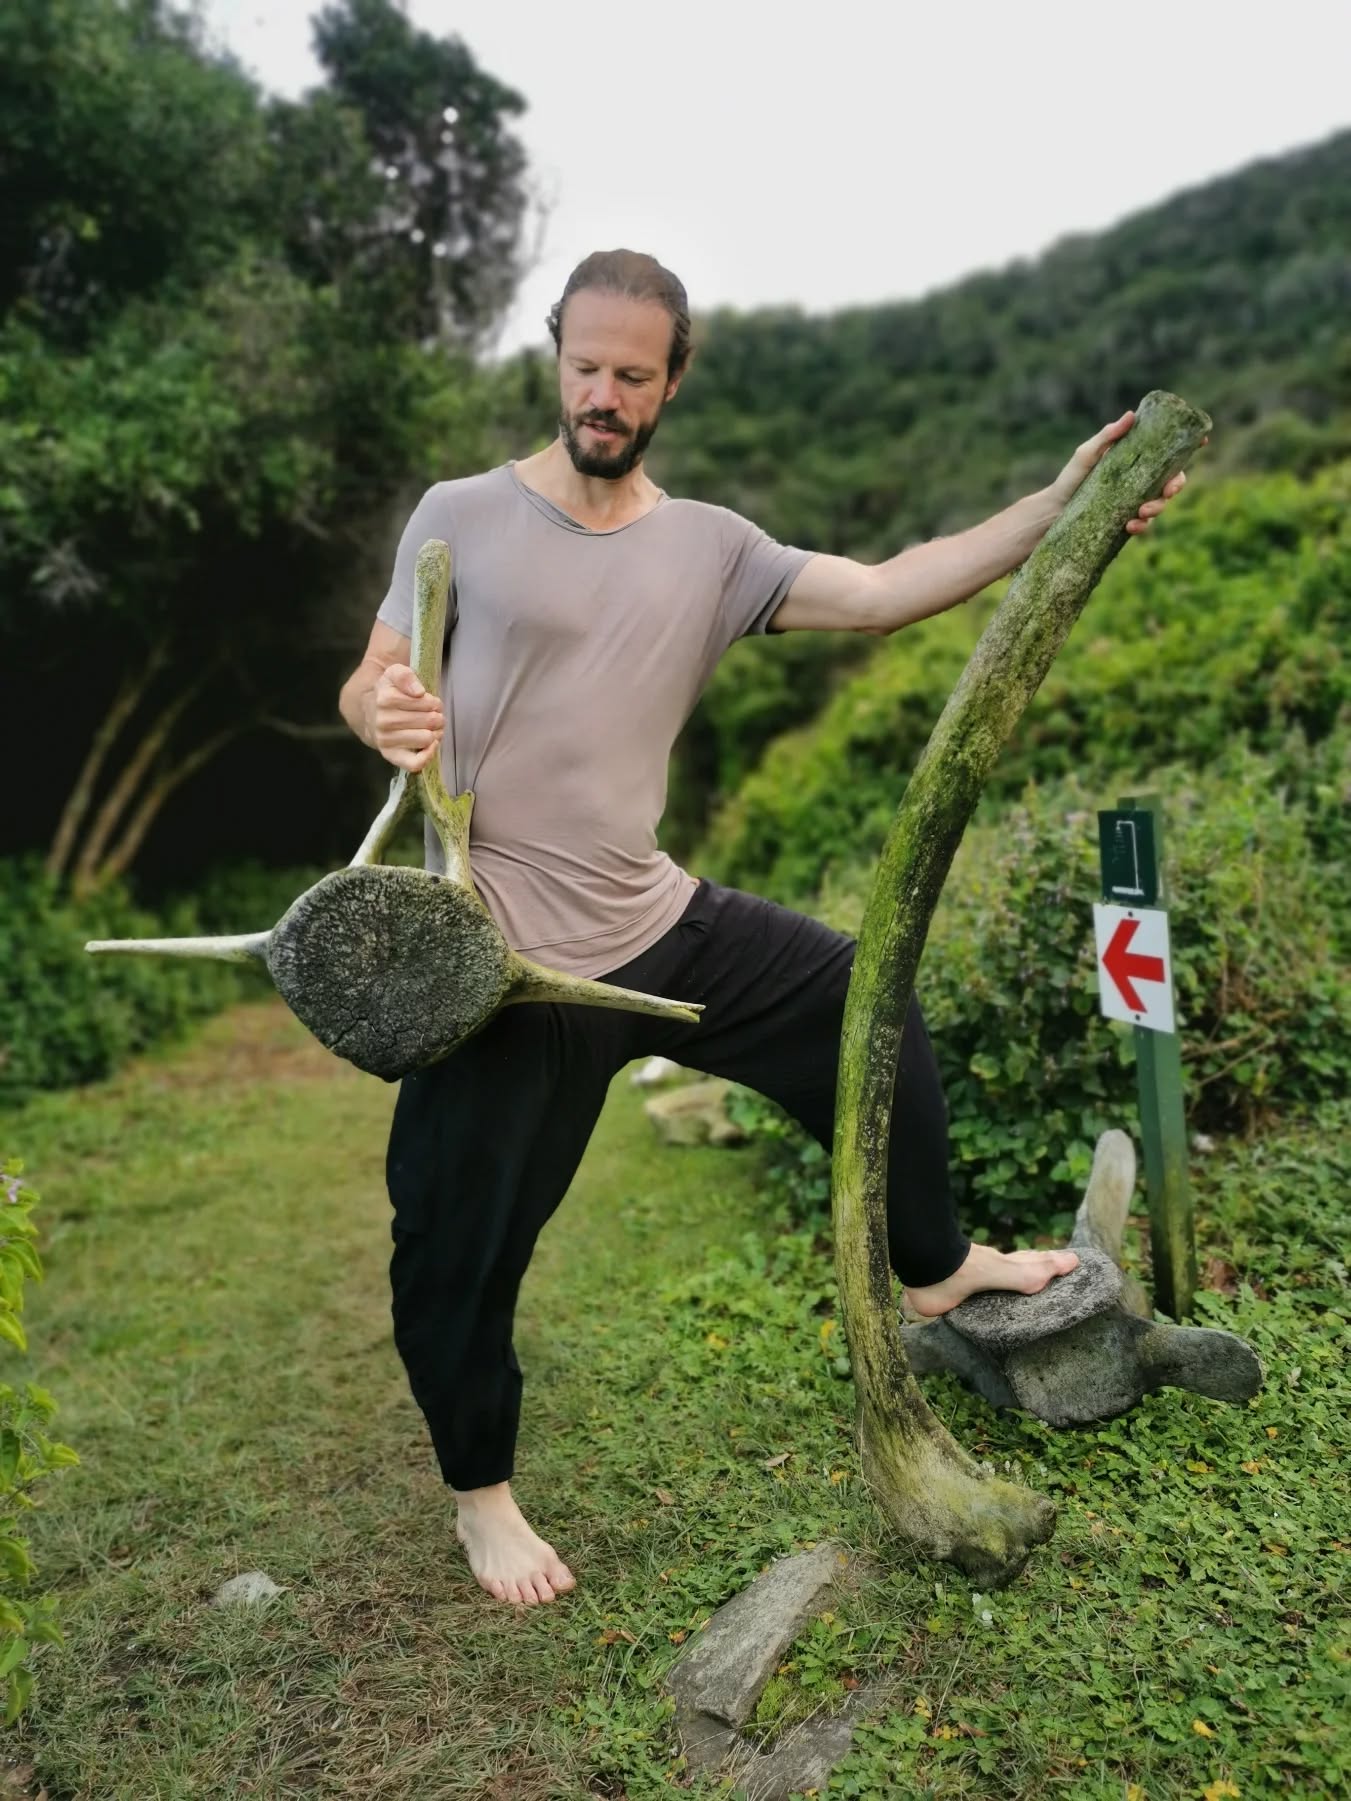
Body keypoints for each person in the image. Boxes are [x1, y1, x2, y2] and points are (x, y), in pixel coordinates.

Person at [338, 249, 1192, 1608]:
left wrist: (1058, 504)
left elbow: (887, 585)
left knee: (867, 1002)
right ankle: (481, 1494)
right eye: (584, 366)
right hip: (502, 965)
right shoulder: (460, 514)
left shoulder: (714, 549)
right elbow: (376, 674)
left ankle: (931, 1265)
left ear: (672, 380)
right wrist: (381, 710)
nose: (603, 395)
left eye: (631, 374)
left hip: (655, 921)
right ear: (554, 357)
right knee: (451, 1238)